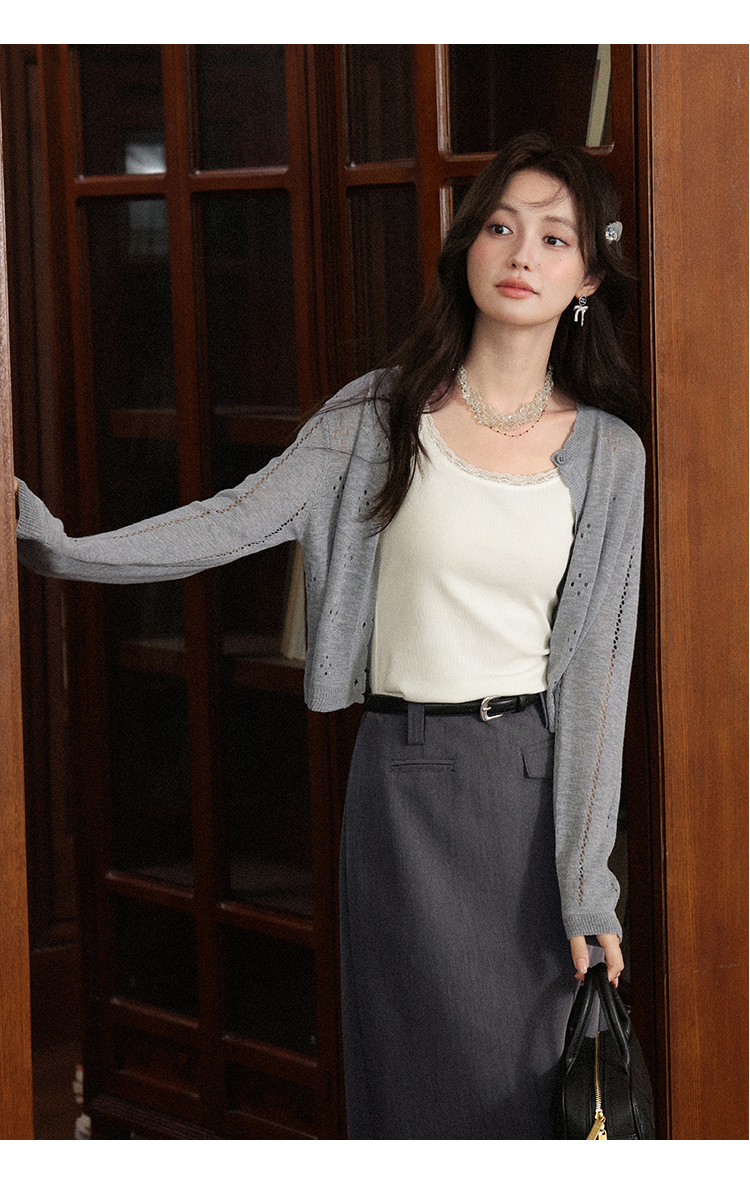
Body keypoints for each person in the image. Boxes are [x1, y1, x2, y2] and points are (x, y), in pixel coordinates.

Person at [15, 132, 646, 1140]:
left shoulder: (610, 455)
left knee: (526, 1093)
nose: (522, 253)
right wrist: (61, 550)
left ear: (589, 279)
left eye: (555, 237)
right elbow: (232, 518)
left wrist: (587, 882)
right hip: (401, 781)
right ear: (468, 247)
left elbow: (599, 684)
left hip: (527, 793)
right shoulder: (377, 416)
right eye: (501, 226)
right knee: (407, 1090)